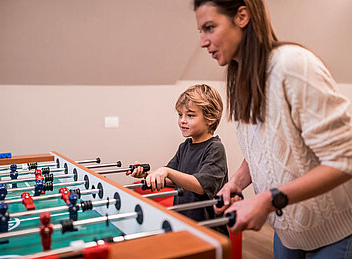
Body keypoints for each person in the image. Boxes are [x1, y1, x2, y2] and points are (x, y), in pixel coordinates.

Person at [193, 0, 352, 258]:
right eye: (200, 31)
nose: (202, 41)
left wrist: (267, 200)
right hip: (287, 234)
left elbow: (345, 159)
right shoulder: (240, 76)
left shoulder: (294, 65)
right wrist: (236, 182)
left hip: (336, 233)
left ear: (242, 16)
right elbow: (265, 146)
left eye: (210, 28)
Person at [127, 84, 229, 234]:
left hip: (207, 230)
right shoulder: (185, 146)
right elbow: (172, 179)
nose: (183, 120)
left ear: (210, 118)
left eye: (190, 115)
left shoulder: (215, 148)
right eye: (180, 115)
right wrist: (148, 175)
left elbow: (200, 186)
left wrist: (166, 171)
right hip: (183, 222)